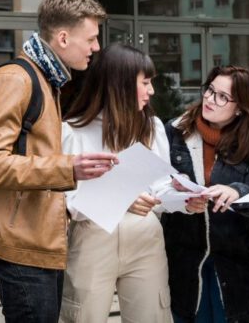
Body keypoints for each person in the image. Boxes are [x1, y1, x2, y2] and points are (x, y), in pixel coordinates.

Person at [0, 0, 119, 323]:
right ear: (63, 38)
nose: (96, 48)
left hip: (41, 244)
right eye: (91, 39)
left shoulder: (48, 80)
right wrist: (68, 167)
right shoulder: (15, 80)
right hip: (22, 248)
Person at [61, 44, 172, 323]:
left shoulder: (152, 127)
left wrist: (185, 200)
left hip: (146, 238)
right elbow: (66, 202)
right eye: (145, 82)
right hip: (92, 238)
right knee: (82, 316)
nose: (151, 91)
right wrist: (122, 197)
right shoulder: (73, 130)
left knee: (153, 317)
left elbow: (161, 186)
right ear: (119, 84)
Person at [160, 65, 249, 323]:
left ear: (241, 107)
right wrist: (175, 193)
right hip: (184, 257)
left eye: (222, 96)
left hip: (235, 259)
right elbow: (156, 184)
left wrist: (236, 191)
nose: (210, 99)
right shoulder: (175, 132)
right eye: (210, 90)